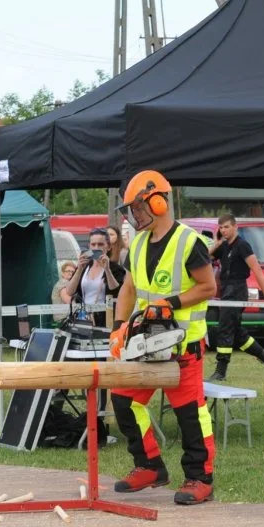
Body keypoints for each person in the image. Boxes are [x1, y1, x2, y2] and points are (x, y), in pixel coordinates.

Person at [108, 169, 217, 505]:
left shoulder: (189, 242)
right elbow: (128, 287)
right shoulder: (138, 244)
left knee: (189, 414)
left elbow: (208, 287)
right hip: (145, 345)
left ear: (158, 201)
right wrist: (119, 325)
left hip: (184, 346)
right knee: (123, 400)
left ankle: (200, 478)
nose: (133, 216)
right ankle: (149, 465)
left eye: (137, 208)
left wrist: (169, 303)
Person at [207, 214, 264, 381]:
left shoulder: (243, 245)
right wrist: (217, 243)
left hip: (237, 289)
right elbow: (204, 258)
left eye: (226, 227)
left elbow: (257, 269)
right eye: (221, 227)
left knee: (225, 328)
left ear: (235, 227)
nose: (223, 230)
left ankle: (221, 371)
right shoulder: (223, 246)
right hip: (225, 289)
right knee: (237, 333)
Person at [63, 228, 126, 327]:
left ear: (108, 247)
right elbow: (70, 291)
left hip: (106, 318)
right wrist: (79, 269)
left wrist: (107, 270)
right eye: (93, 244)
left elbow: (116, 291)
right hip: (84, 318)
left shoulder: (115, 268)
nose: (96, 248)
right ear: (89, 246)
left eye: (100, 244)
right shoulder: (85, 266)